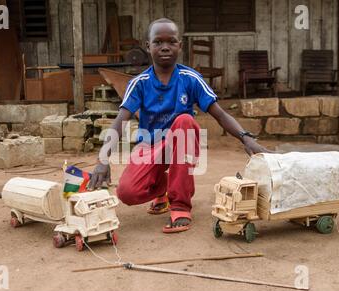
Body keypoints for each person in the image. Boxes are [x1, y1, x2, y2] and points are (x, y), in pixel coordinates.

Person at [88, 18, 271, 233]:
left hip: (180, 145)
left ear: (179, 46)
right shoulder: (139, 83)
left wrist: (245, 137)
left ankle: (180, 206)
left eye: (171, 42)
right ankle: (164, 188)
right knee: (127, 193)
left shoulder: (190, 78)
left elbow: (220, 114)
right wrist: (103, 159)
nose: (165, 47)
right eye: (158, 42)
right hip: (150, 147)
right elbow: (120, 120)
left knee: (184, 121)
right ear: (148, 47)